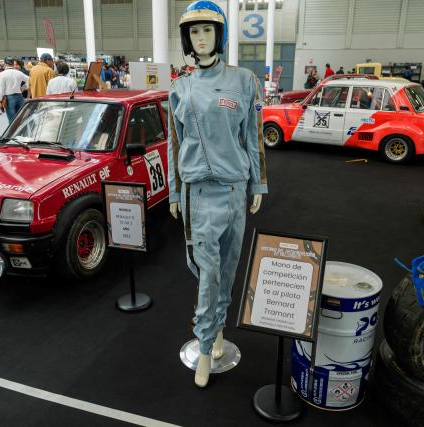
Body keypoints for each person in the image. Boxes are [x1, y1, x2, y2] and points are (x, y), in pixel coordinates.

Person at [168, 1, 267, 388]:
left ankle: (217, 327)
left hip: (234, 190)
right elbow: (175, 145)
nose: (202, 38)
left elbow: (253, 137)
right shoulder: (179, 87)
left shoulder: (245, 81)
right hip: (197, 194)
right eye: (195, 32)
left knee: (227, 269)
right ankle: (206, 344)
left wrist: (257, 184)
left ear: (220, 35)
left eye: (208, 30)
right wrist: (175, 193)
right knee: (206, 272)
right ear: (187, 39)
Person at [0, 56, 29, 123]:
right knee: (21, 119)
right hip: (20, 97)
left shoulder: (2, 74)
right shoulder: (19, 73)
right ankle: (22, 133)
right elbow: (30, 80)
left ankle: (14, 133)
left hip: (9, 99)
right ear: (13, 63)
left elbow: (0, 88)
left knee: (12, 121)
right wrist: (23, 88)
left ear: (5, 63)